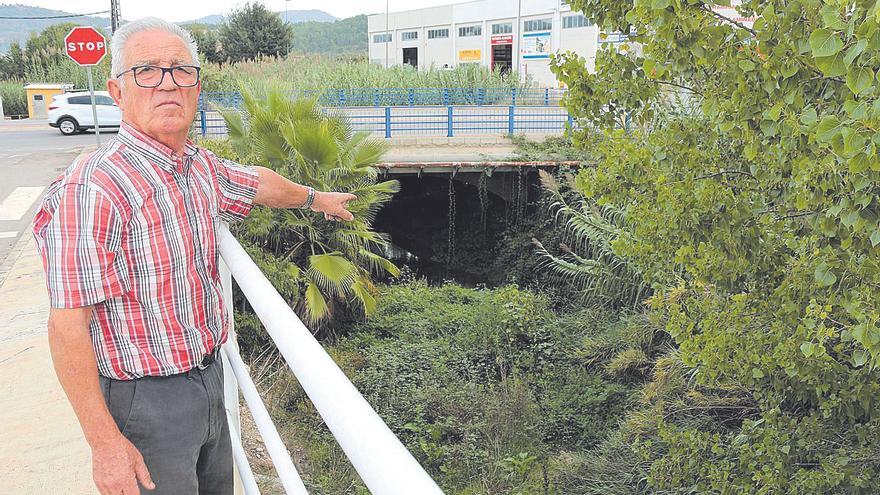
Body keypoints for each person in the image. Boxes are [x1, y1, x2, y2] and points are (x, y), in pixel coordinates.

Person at [31, 17, 357, 495]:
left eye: (180, 70)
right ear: (116, 92)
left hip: (208, 376)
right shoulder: (96, 187)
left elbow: (258, 182)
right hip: (145, 400)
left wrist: (316, 198)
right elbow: (66, 326)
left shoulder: (197, 166)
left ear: (196, 87)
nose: (167, 83)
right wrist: (104, 443)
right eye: (147, 70)